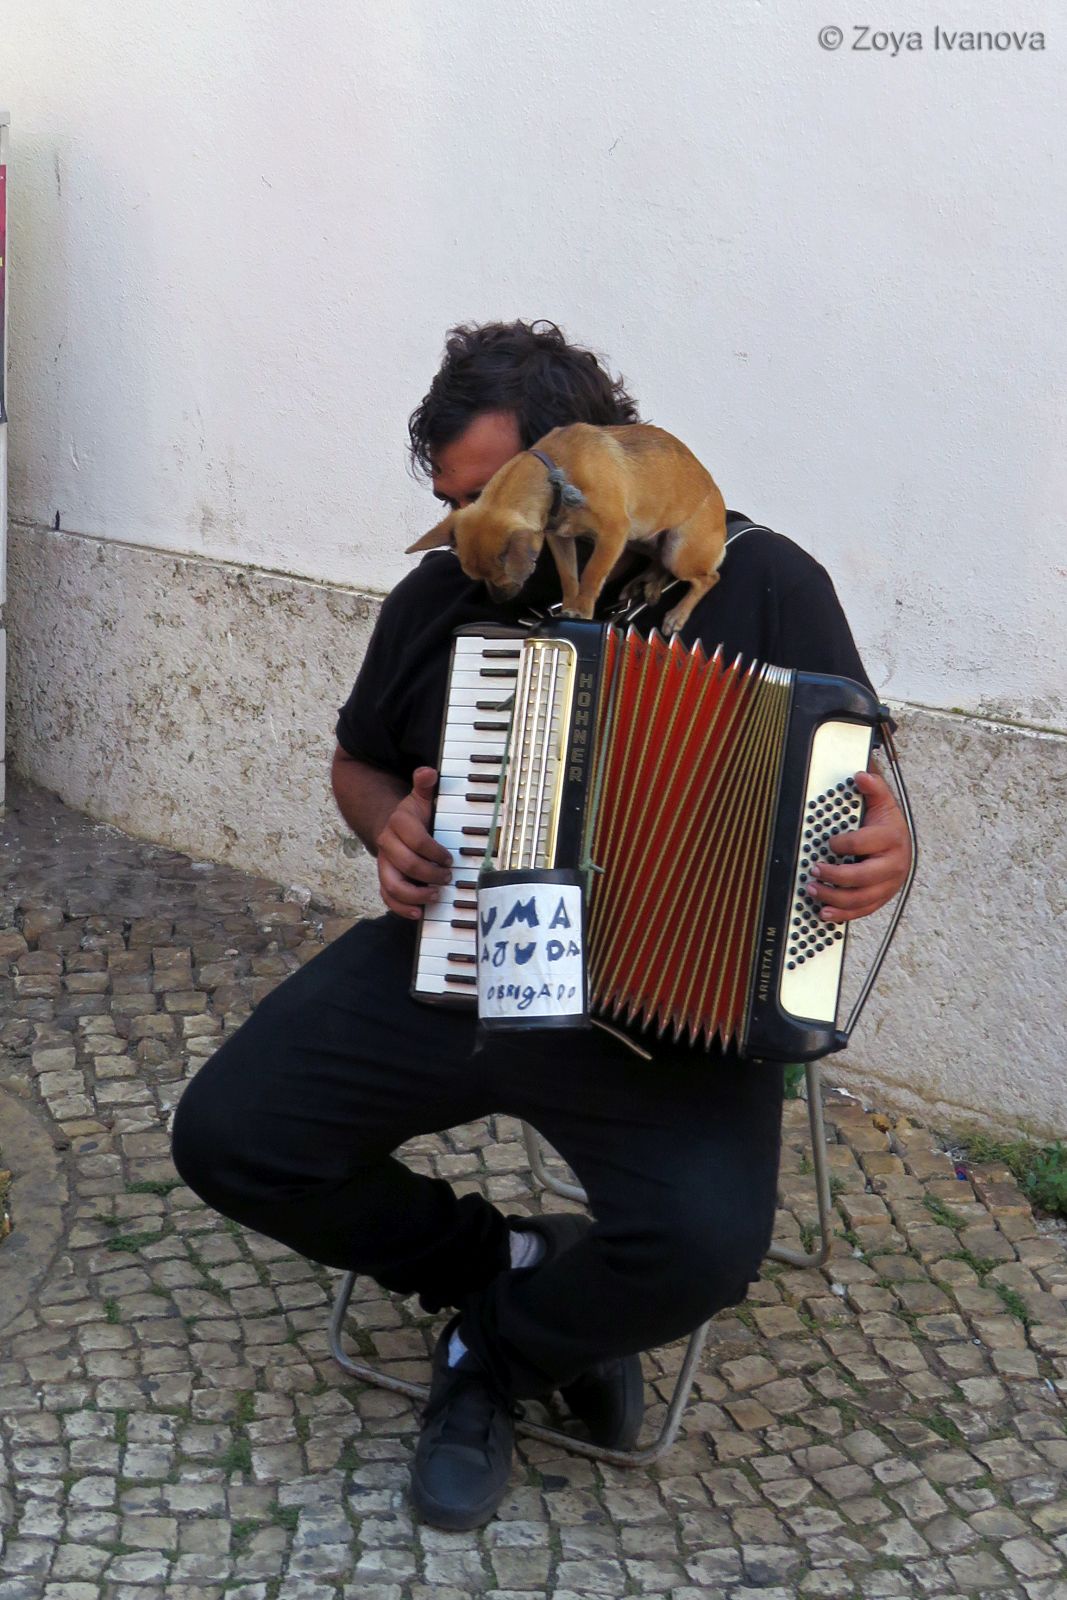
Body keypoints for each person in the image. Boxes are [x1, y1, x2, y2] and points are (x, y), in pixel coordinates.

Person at [171, 320, 912, 1531]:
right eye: (455, 504)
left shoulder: (765, 583)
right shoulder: (443, 594)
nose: (475, 537)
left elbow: (863, 789)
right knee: (230, 1137)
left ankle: (498, 1353)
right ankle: (503, 1263)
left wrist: (884, 850)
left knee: (702, 1248)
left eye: (495, 501)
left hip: (673, 1016)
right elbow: (359, 762)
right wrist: (388, 830)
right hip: (464, 958)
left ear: (581, 467)